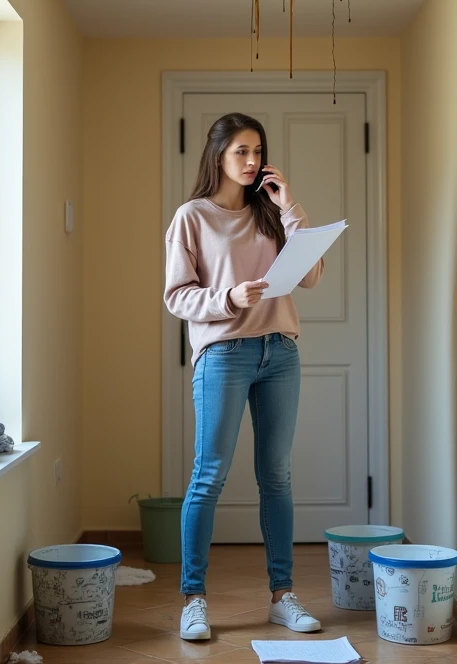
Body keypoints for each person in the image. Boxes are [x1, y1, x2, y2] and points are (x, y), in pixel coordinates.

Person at [164, 112, 325, 641]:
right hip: (223, 355)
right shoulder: (192, 217)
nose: (253, 161)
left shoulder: (271, 213)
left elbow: (312, 275)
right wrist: (227, 298)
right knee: (209, 475)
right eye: (241, 151)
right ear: (218, 156)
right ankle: (193, 599)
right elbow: (177, 295)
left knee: (276, 476)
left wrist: (289, 206)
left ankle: (282, 595)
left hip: (279, 352)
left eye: (258, 151)